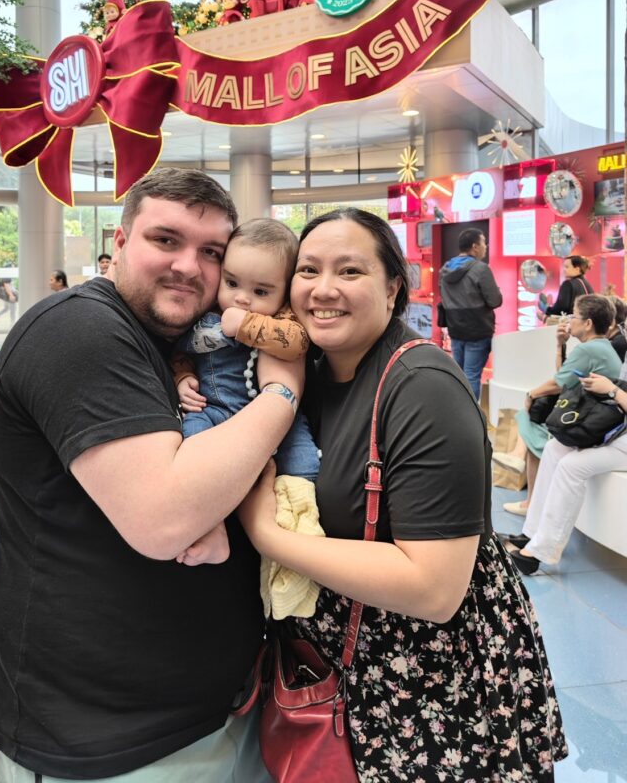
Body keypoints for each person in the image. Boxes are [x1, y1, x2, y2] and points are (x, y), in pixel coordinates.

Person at [0, 168, 303, 782]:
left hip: (215, 713)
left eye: (211, 253)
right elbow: (163, 518)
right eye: (165, 240)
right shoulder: (78, 331)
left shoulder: (175, 342)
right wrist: (282, 392)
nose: (188, 267)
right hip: (107, 743)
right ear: (119, 243)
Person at [238, 208, 567, 779]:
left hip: (428, 681)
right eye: (308, 270)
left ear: (393, 288)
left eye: (350, 271)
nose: (324, 289)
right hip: (343, 668)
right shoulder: (307, 372)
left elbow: (433, 588)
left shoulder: (421, 387)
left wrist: (267, 534)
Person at [173, 219, 320, 602]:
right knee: (192, 444)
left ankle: (302, 523)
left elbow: (296, 343)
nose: (241, 298)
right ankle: (211, 525)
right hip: (213, 411)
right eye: (232, 283)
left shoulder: (282, 322)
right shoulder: (202, 316)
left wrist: (247, 326)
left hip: (278, 420)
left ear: (285, 294)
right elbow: (179, 351)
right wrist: (183, 377)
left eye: (260, 291)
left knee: (302, 458)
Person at [495, 294, 623, 516]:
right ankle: (524, 478)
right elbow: (563, 376)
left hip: (584, 421)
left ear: (588, 323)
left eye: (574, 315)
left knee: (532, 414)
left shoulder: (588, 349)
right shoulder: (601, 347)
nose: (570, 320)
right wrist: (559, 345)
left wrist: (531, 394)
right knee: (535, 414)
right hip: (589, 416)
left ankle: (526, 484)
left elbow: (559, 383)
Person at [505, 362, 627, 575]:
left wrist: (612, 390)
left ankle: (540, 551)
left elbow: (618, 392)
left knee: (572, 466)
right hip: (618, 431)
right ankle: (532, 532)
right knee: (554, 448)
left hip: (622, 440)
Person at [438, 227, 503, 401]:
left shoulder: (445, 269)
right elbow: (495, 300)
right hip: (478, 329)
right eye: (484, 243)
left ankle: (456, 409)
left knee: (458, 373)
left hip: (455, 329)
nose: (485, 247)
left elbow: (444, 297)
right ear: (475, 246)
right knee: (472, 375)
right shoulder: (481, 269)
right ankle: (471, 413)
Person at [544, 255, 593, 319]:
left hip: (571, 322)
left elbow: (561, 307)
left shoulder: (568, 284)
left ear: (577, 269)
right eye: (564, 267)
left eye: (567, 267)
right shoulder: (587, 284)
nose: (564, 270)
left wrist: (547, 311)